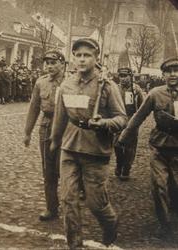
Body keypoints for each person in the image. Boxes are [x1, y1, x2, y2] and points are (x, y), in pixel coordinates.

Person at [50, 38, 127, 248]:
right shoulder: (66, 85)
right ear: (73, 58)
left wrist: (103, 123)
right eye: (78, 55)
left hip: (96, 151)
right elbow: (60, 117)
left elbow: (122, 119)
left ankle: (110, 224)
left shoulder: (107, 86)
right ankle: (74, 244)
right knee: (68, 199)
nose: (82, 60)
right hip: (70, 147)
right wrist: (55, 141)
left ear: (96, 58)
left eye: (87, 55)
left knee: (96, 203)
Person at [118, 58, 178, 238]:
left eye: (177, 70)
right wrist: (124, 136)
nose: (173, 74)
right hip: (159, 146)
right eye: (169, 71)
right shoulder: (155, 94)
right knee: (159, 185)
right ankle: (165, 226)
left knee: (174, 186)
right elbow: (138, 116)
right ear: (163, 74)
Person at [24, 50, 65, 221]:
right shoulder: (41, 83)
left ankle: (71, 205)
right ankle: (51, 207)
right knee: (48, 169)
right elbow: (34, 108)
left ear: (62, 64)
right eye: (47, 63)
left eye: (53, 62)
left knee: (66, 168)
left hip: (67, 128)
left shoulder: (71, 83)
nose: (49, 66)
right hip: (47, 126)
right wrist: (27, 132)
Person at [114, 67, 144, 180]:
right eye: (121, 76)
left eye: (125, 76)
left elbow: (142, 106)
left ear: (130, 76)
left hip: (132, 120)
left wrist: (136, 120)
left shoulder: (136, 90)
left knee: (129, 147)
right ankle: (119, 163)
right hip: (118, 120)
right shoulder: (115, 89)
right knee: (117, 145)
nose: (123, 78)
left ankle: (126, 168)